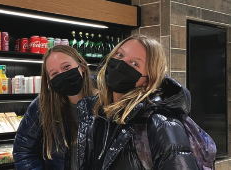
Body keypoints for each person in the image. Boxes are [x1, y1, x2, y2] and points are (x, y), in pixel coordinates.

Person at [77, 35, 212, 170]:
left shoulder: (161, 123)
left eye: (135, 64)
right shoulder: (97, 111)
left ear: (148, 79)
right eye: (119, 55)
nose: (121, 64)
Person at [13, 45, 94, 170]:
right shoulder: (42, 105)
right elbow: (23, 150)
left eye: (67, 67)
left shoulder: (105, 102)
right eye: (54, 73)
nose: (62, 75)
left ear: (82, 66)